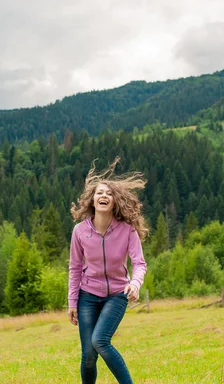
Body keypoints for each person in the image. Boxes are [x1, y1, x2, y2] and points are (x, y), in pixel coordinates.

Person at [68, 158, 148, 384]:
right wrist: (72, 302)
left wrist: (135, 284)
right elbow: (74, 269)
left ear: (115, 202)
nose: (103, 196)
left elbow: (139, 263)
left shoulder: (127, 231)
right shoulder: (80, 232)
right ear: (92, 200)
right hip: (87, 296)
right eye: (99, 193)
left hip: (116, 295)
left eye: (109, 194)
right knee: (88, 356)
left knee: (100, 341)